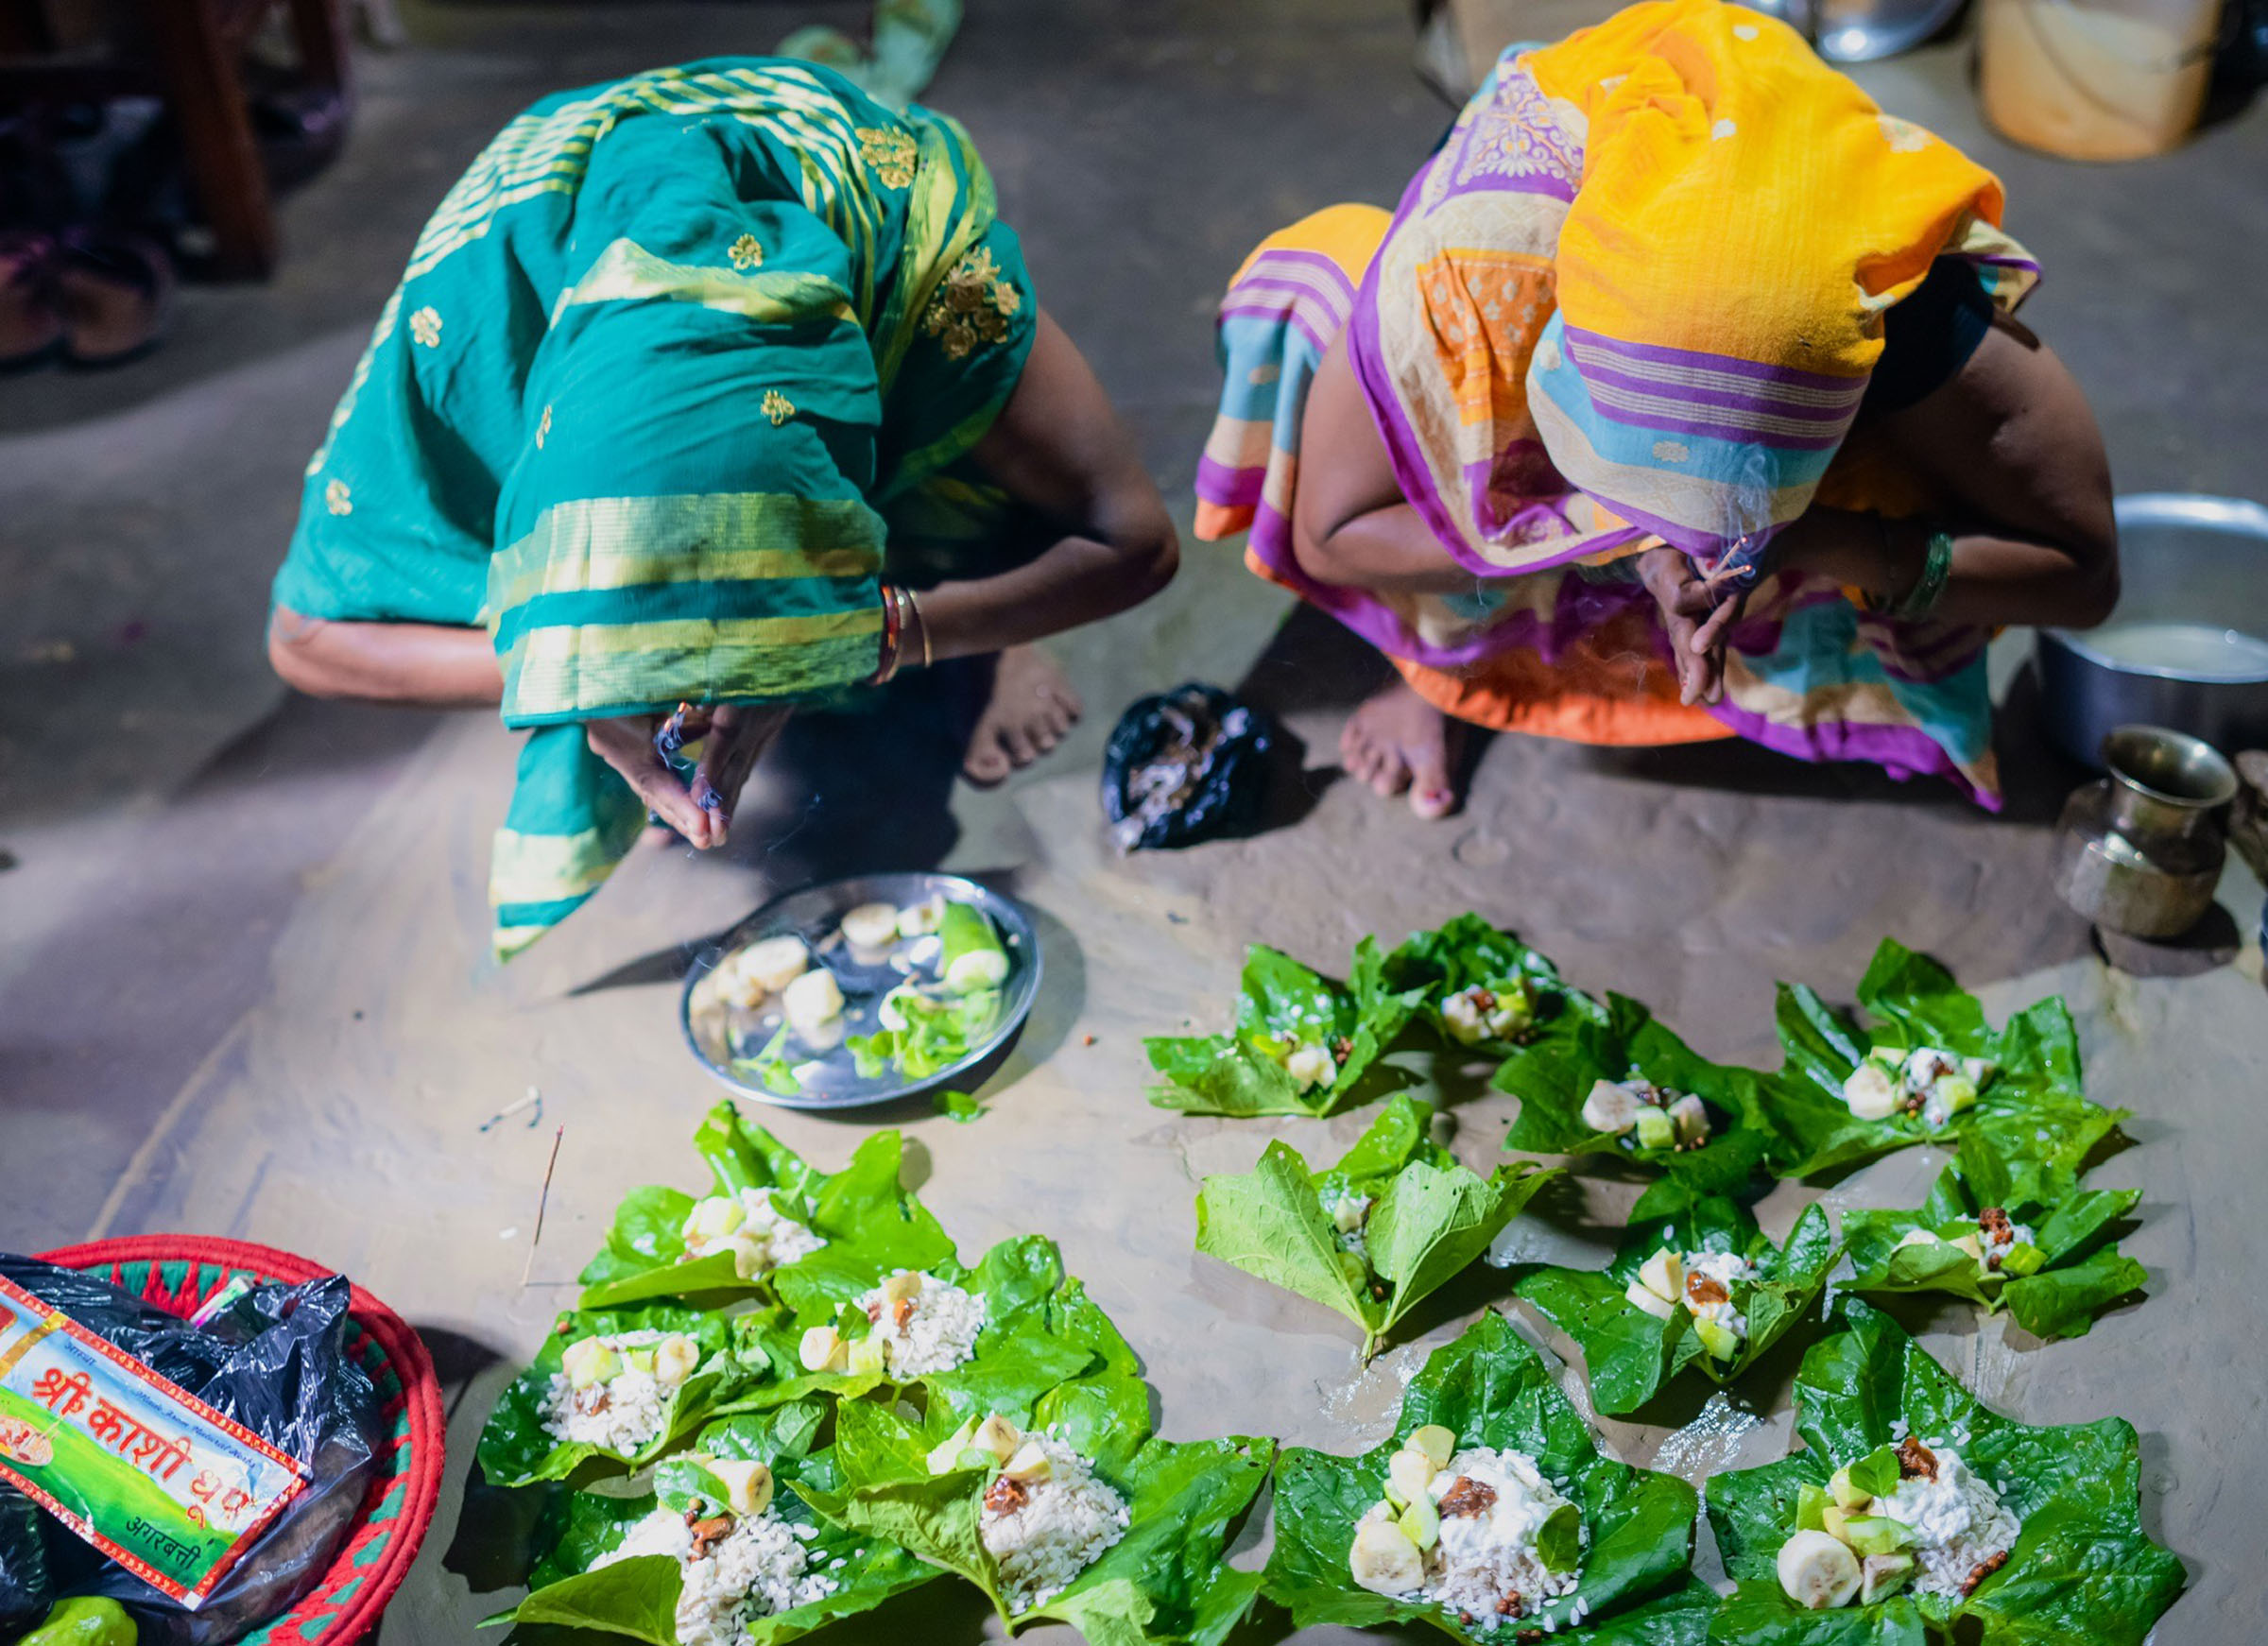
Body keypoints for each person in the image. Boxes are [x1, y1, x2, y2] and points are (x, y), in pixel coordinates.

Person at [268, 60, 1176, 956]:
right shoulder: (462, 343)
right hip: (534, 284)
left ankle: (972, 610)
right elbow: (305, 642)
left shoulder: (935, 284)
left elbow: (1137, 542)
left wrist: (883, 633)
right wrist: (586, 670)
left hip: (874, 328)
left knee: (985, 450)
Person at [1195, 0, 2116, 819]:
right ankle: (1439, 675)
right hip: (1521, 385)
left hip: (1830, 514)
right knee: (1351, 333)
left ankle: (1808, 650)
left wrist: (1804, 541)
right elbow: (1333, 536)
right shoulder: (1471, 273)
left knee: (1877, 501)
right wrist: (1612, 538)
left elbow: (2081, 579)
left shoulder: (1904, 317)